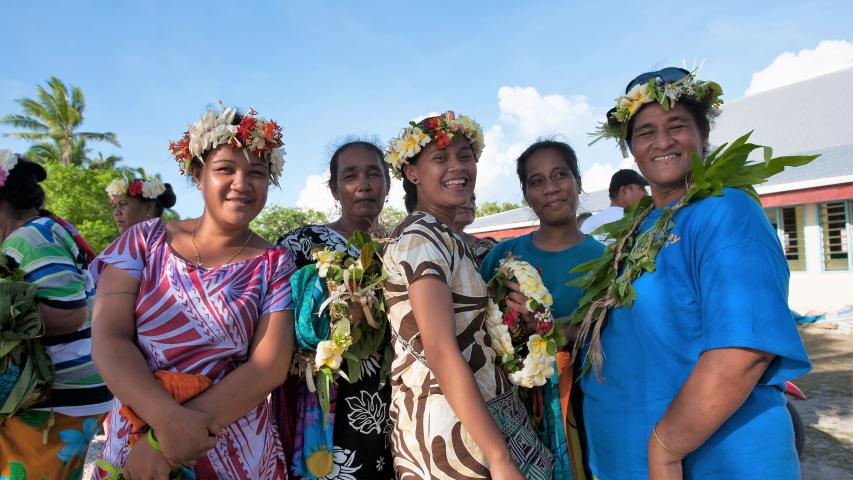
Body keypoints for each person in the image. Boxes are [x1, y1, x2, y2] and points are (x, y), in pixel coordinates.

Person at [578, 67, 811, 479]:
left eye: (677, 125)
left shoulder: (727, 213)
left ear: (703, 134)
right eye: (646, 131)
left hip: (711, 464)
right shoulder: (642, 226)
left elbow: (742, 351)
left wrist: (665, 449)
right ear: (631, 148)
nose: (662, 141)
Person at [89, 106, 296, 479]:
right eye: (225, 169)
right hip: (137, 437)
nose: (242, 183)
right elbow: (110, 338)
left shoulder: (275, 263)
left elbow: (267, 368)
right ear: (198, 174)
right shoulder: (143, 241)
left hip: (233, 448)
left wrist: (165, 444)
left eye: (257, 173)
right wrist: (164, 424)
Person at [382, 111, 553, 480]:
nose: (457, 167)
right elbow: (441, 350)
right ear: (412, 172)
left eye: (464, 155)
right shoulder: (421, 238)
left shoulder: (444, 235)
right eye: (440, 158)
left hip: (470, 417)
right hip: (450, 433)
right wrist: (501, 458)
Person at [480, 140, 604, 479]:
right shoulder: (503, 257)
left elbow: (614, 331)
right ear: (526, 194)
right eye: (537, 181)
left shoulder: (606, 261)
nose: (551, 189)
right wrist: (514, 329)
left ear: (577, 180)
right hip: (511, 413)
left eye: (560, 175)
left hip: (582, 411)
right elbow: (474, 328)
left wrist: (555, 330)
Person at [275, 140, 394, 479]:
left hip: (387, 397)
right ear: (334, 189)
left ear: (387, 184)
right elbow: (279, 327)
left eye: (374, 174)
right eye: (350, 176)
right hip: (323, 397)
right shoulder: (301, 244)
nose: (364, 184)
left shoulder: (399, 248)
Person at [0, 150, 112, 479]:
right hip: (74, 391)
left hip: (57, 397)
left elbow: (69, 314)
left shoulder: (30, 238)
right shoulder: (48, 229)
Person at [580, 169, 647, 242]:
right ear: (624, 191)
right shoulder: (632, 220)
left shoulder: (589, 222)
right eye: (641, 189)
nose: (645, 194)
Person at [106, 176, 177, 234]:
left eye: (123, 204)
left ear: (149, 208)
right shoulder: (116, 249)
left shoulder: (171, 245)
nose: (116, 212)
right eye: (114, 206)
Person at [452, 193, 496, 267]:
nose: (468, 205)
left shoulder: (488, 247)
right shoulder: (429, 243)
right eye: (459, 199)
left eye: (472, 199)